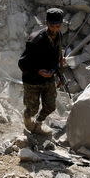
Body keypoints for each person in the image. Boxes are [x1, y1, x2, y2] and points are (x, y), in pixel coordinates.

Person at [18, 8, 64, 136]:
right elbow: (22, 63)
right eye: (52, 25)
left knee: (50, 106)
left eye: (58, 26)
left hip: (49, 78)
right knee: (32, 109)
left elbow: (58, 55)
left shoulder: (59, 36)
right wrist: (38, 71)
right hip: (32, 80)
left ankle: (38, 125)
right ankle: (27, 120)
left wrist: (59, 73)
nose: (55, 29)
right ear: (46, 23)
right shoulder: (35, 40)